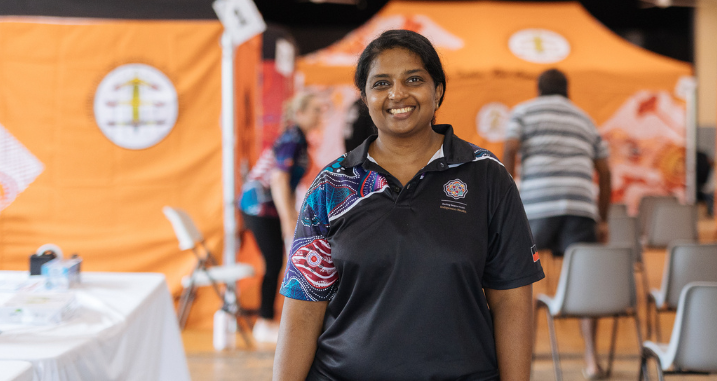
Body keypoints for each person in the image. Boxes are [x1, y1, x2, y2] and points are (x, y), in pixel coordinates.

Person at [273, 30, 544, 381]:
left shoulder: (486, 177)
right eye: (381, 83)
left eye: (413, 79)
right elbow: (303, 308)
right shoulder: (332, 185)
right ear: (366, 98)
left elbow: (512, 302)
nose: (397, 94)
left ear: (438, 91)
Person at [502, 68, 612, 380]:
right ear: (567, 90)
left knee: (521, 283)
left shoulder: (523, 112)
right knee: (585, 284)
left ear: (538, 89)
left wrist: (507, 197)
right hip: (580, 208)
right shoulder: (585, 119)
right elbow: (605, 171)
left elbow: (510, 148)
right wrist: (601, 219)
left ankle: (521, 362)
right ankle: (591, 360)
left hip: (536, 207)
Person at [239, 91, 324, 344]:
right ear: (299, 114)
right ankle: (264, 322)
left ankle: (269, 321)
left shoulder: (299, 139)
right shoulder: (292, 138)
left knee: (278, 261)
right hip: (258, 206)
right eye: (315, 110)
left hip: (269, 207)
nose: (320, 115)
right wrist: (288, 219)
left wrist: (292, 213)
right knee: (274, 261)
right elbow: (278, 180)